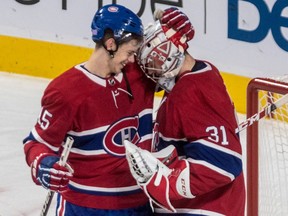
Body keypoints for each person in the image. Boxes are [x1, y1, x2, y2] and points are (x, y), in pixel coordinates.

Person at [22, 4, 157, 215]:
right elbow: (36, 143)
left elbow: (177, 72)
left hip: (138, 203)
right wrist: (44, 164)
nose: (132, 60)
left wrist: (174, 34)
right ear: (111, 44)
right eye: (129, 52)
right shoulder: (65, 91)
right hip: (84, 207)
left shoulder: (140, 75)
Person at [125, 7, 246, 216]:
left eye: (154, 59)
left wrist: (161, 184)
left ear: (168, 52)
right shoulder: (193, 77)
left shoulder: (192, 90)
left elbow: (223, 164)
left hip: (206, 210)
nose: (149, 69)